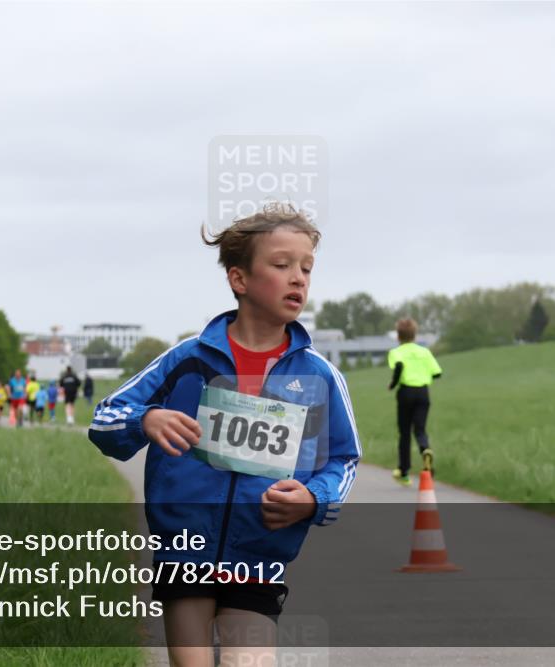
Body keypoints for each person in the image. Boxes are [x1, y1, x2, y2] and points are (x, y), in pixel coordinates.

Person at [88, 202, 361, 666]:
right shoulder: (188, 359)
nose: (298, 278)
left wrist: (314, 498)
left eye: (307, 268)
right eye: (281, 265)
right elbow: (105, 419)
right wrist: (146, 420)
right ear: (239, 279)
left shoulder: (318, 377)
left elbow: (344, 459)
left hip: (259, 555)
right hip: (186, 551)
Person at [387, 318, 443, 486]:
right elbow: (437, 373)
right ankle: (425, 449)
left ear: (398, 336)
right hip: (423, 393)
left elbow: (398, 367)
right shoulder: (424, 352)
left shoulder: (396, 352)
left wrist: (392, 384)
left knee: (404, 433)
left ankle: (404, 471)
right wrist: (423, 375)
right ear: (415, 335)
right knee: (420, 429)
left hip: (406, 393)